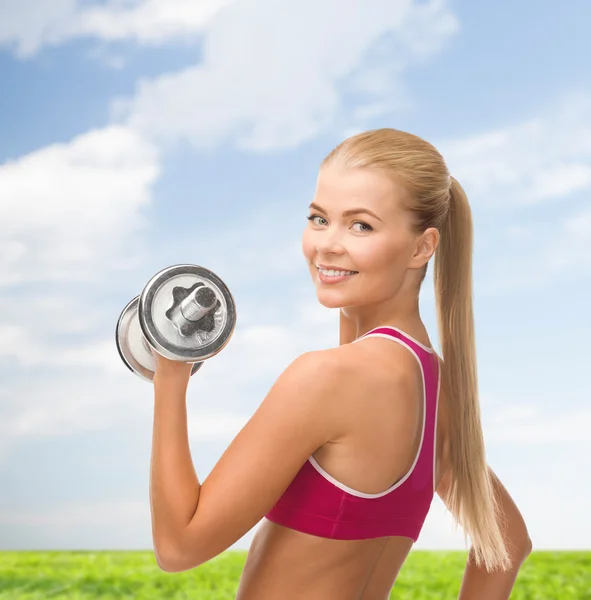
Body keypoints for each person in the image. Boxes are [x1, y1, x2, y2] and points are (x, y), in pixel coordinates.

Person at [149, 128, 532, 600]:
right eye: (318, 218)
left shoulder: (327, 379)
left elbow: (179, 546)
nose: (327, 245)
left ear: (421, 248)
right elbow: (508, 544)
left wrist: (171, 371)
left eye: (361, 226)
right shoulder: (435, 384)